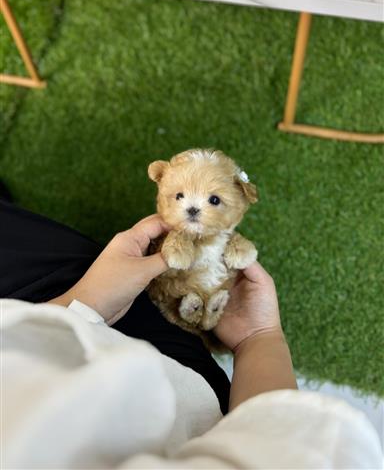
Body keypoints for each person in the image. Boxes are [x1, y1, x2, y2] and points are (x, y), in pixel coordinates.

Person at [1, 198, 381, 469]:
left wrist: (85, 302)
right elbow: (277, 446)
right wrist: (259, 339)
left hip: (50, 322)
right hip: (172, 374)